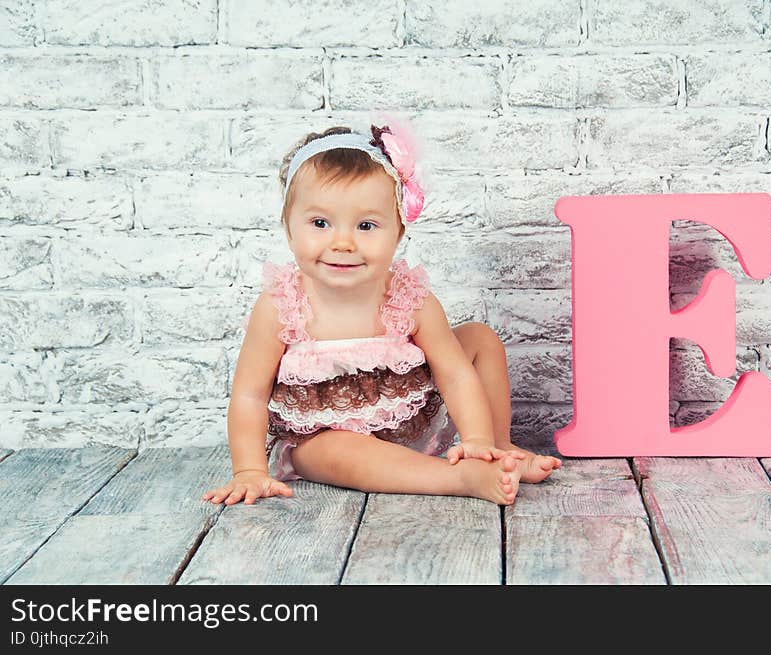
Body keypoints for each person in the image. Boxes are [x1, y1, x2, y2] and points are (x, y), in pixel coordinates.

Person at [202, 115, 562, 508]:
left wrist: (475, 439)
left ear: (398, 232)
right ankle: (457, 477)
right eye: (320, 223)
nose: (342, 242)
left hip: (410, 421)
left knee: (479, 339)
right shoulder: (281, 307)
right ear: (288, 229)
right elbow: (250, 396)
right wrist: (249, 471)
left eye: (367, 225)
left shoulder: (411, 298)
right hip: (325, 437)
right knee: (334, 452)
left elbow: (456, 374)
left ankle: (497, 451)